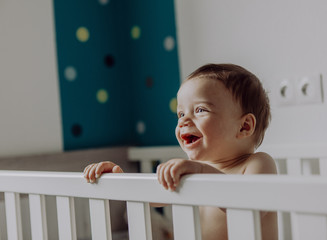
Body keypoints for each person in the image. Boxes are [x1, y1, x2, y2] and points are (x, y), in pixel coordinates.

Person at [83, 63, 278, 240]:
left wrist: (201, 172)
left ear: (244, 126)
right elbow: (151, 196)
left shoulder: (257, 163)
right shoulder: (192, 171)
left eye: (200, 110)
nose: (183, 121)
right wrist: (119, 180)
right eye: (181, 113)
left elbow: (251, 206)